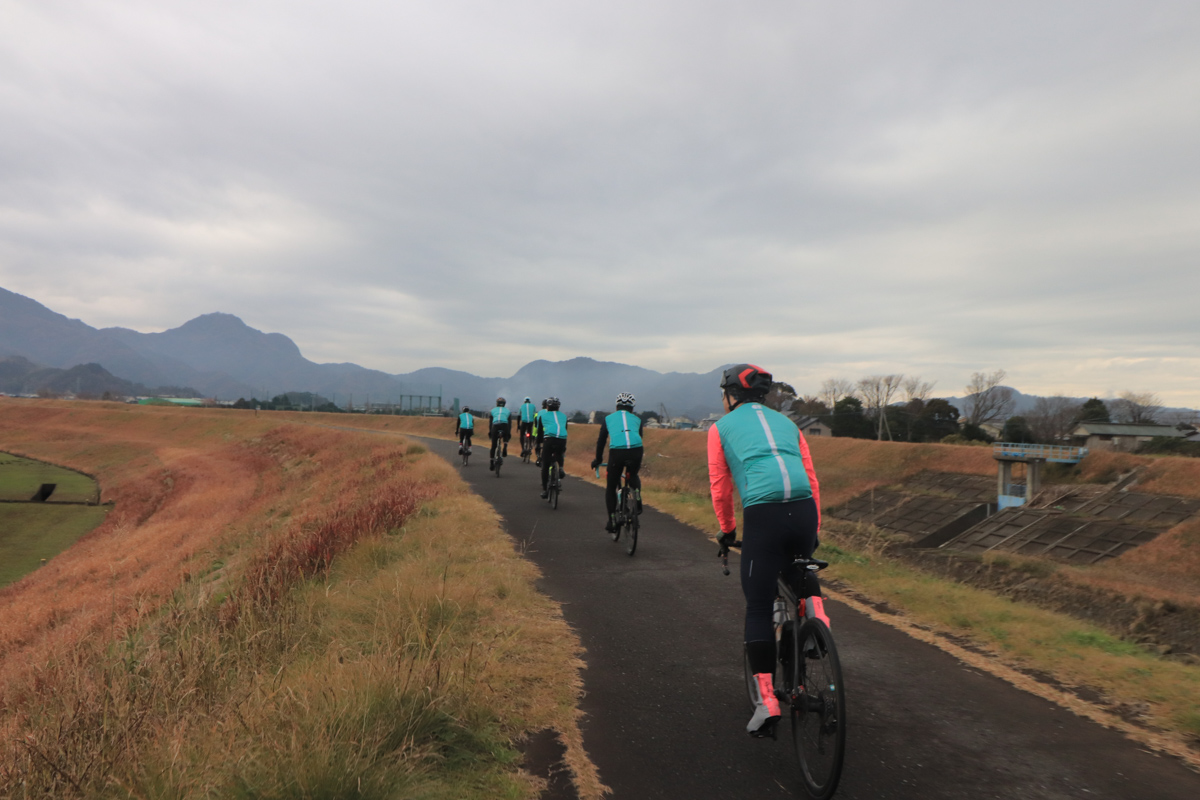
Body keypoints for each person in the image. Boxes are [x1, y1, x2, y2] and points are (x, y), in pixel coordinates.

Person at [707, 364, 821, 737]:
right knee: (800, 569)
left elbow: (720, 487)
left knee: (758, 605)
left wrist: (727, 531)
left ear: (730, 396)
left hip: (763, 515)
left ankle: (767, 701)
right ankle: (819, 629)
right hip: (803, 510)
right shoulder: (789, 425)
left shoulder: (720, 428)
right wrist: (814, 528)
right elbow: (811, 476)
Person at [591, 392, 643, 533]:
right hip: (636, 450)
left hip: (617, 452)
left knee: (611, 485)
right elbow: (639, 437)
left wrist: (598, 459)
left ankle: (612, 519)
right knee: (633, 475)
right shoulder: (637, 420)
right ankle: (637, 497)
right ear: (632, 408)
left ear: (616, 407)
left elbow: (601, 441)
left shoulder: (608, 419)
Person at [536, 396, 568, 498]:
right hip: (562, 439)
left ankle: (545, 490)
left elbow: (540, 433)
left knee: (545, 464)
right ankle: (561, 468)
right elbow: (564, 429)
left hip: (549, 440)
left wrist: (537, 446)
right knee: (559, 453)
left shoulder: (543, 416)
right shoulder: (564, 416)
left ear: (547, 407)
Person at [488, 397, 513, 469]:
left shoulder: (492, 410)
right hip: (504, 426)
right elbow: (509, 424)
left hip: (495, 426)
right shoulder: (508, 411)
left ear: (497, 404)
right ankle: (505, 447)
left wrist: (490, 431)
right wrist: (508, 433)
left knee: (493, 445)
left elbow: (490, 423)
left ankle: (491, 462)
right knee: (506, 435)